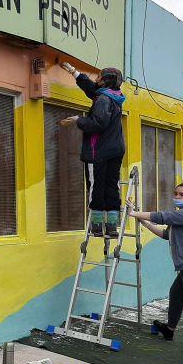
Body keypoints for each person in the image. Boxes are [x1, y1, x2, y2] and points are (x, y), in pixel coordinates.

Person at [128, 183, 183, 342]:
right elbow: (166, 234)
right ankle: (169, 329)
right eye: (175, 194)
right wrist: (144, 222)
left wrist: (135, 213)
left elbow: (163, 217)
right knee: (176, 294)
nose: (177, 197)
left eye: (182, 195)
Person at [60, 62, 126, 238]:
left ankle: (96, 226)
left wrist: (78, 120)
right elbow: (92, 89)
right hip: (115, 149)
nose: (96, 79)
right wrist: (74, 72)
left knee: (96, 186)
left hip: (99, 151)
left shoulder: (103, 100)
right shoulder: (113, 96)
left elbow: (97, 124)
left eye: (99, 77)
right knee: (112, 186)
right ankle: (112, 227)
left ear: (105, 81)